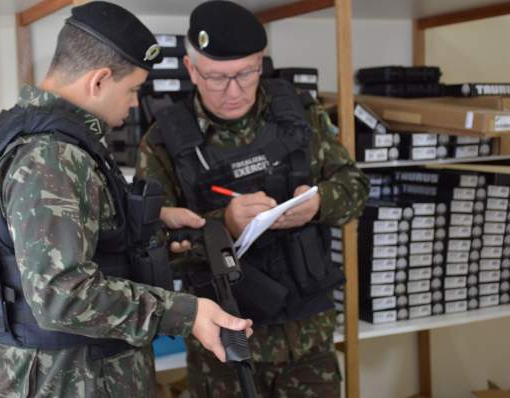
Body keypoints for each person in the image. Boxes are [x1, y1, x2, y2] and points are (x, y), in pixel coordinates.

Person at [0, 2, 253, 397]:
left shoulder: (37, 135)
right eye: (132, 90)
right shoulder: (51, 154)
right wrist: (188, 314)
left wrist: (150, 226)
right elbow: (61, 295)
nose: (134, 104)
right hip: (70, 379)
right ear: (98, 81)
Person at [136, 1, 370, 397]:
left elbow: (355, 188)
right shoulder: (163, 142)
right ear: (192, 70)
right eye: (216, 78)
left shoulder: (298, 113)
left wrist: (318, 204)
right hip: (224, 346)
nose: (233, 91)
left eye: (245, 74)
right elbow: (150, 247)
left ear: (261, 62)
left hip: (308, 334)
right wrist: (221, 225)